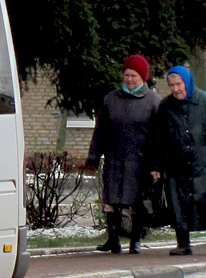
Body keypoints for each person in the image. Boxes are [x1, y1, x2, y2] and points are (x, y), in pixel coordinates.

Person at [85, 54, 161, 254]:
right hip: (115, 157)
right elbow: (100, 131)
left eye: (134, 76)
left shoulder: (153, 102)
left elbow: (158, 137)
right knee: (111, 201)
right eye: (127, 75)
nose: (129, 79)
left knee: (136, 202)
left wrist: (156, 165)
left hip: (140, 160)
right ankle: (113, 239)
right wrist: (93, 157)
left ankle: (135, 240)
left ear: (143, 77)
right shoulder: (111, 99)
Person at [150, 65, 206, 256]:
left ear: (187, 82)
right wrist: (156, 165)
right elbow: (158, 138)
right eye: (171, 85)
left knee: (203, 199)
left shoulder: (204, 102)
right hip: (176, 165)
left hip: (202, 163)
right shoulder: (165, 106)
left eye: (179, 84)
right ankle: (183, 243)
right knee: (178, 203)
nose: (175, 89)